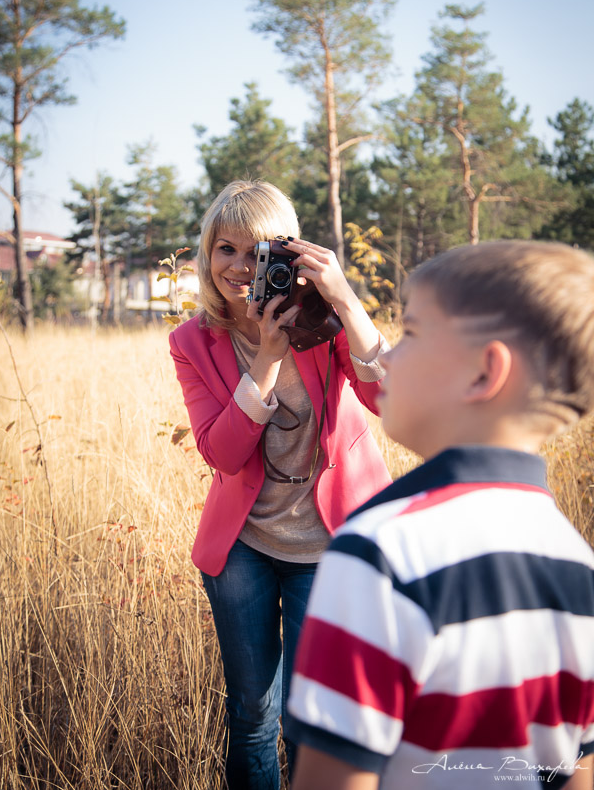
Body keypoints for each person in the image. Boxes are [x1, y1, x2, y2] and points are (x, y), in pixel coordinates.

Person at [287, 239, 594, 790]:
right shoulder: (580, 567)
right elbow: (577, 772)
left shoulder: (379, 551)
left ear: (483, 373)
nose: (390, 357)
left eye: (412, 334)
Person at [169, 179, 391, 789]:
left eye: (258, 252)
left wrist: (345, 299)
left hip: (328, 541)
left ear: (288, 255)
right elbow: (222, 451)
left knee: (307, 718)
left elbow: (388, 399)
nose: (241, 268)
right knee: (251, 712)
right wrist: (265, 358)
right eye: (226, 249)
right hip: (244, 545)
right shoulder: (193, 341)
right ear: (207, 254)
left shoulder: (322, 319)